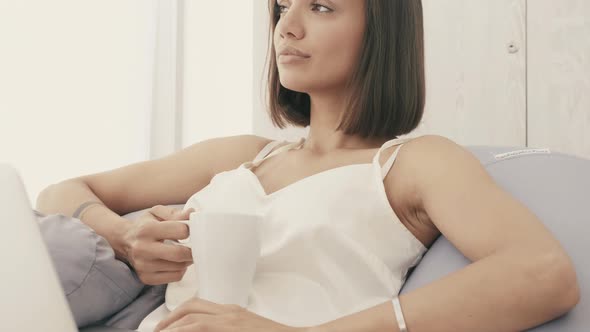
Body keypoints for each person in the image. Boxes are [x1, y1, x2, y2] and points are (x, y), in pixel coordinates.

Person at [36, 0, 580, 331]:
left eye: (320, 7)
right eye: (282, 8)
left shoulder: (412, 164)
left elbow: (543, 274)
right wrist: (123, 235)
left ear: (380, 33)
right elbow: (58, 193)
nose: (286, 28)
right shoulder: (242, 156)